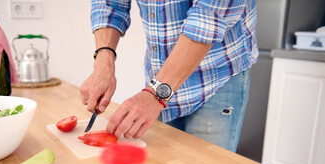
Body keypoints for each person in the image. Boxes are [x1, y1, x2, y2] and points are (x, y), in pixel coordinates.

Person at [80, 0, 258, 152]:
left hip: (216, 77)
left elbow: (208, 18)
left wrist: (156, 93)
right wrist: (104, 61)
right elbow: (109, 4)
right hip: (158, 78)